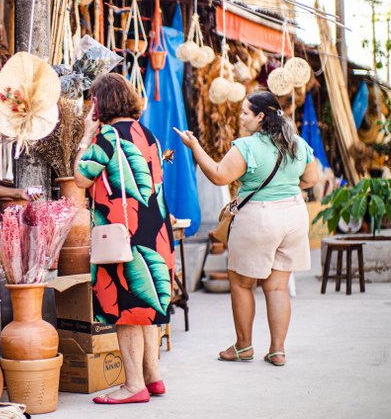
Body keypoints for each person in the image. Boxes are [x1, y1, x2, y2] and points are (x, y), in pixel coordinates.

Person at [176, 91, 319, 367]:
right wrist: (284, 188)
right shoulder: (297, 143)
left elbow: (219, 175)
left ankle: (243, 346)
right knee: (277, 288)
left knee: (241, 282)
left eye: (245, 113)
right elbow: (311, 178)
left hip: (259, 218)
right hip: (294, 216)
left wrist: (194, 146)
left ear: (261, 117)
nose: (241, 117)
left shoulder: (247, 146)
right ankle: (277, 350)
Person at [73, 73, 172, 405]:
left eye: (94, 101)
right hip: (154, 230)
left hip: (121, 233)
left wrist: (86, 134)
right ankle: (153, 377)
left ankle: (133, 385)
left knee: (127, 307)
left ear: (102, 103)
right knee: (146, 303)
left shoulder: (108, 137)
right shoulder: (149, 135)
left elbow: (80, 177)